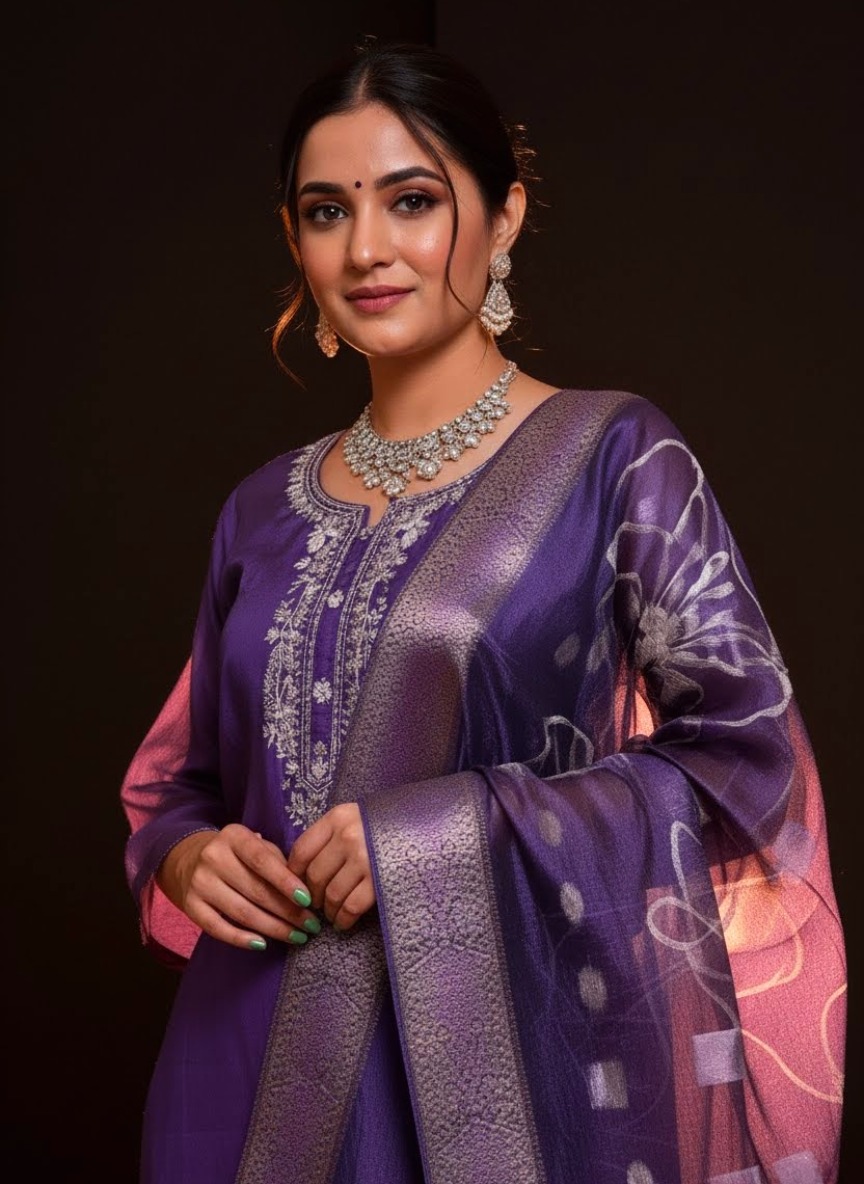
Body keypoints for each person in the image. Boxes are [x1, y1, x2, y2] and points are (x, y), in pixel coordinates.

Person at [121, 41, 846, 1184]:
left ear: (503, 217)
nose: (366, 248)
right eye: (326, 211)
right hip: (242, 1070)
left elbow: (744, 763)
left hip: (504, 1076)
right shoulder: (261, 508)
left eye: (411, 200)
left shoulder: (615, 457)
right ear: (295, 240)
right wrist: (186, 856)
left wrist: (450, 831)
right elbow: (180, 779)